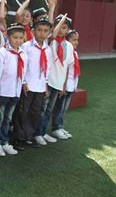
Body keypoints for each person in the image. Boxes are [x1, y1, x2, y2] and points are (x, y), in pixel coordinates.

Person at [14, 17, 53, 148]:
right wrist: (24, 82)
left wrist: (46, 85)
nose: (42, 33)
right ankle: (18, 138)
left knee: (34, 112)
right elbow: (23, 66)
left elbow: (47, 68)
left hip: (40, 86)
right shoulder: (26, 47)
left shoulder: (48, 49)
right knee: (23, 111)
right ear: (33, 31)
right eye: (39, 30)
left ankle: (28, 136)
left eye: (46, 31)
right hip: (28, 85)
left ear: (49, 33)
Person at [0, 23, 27, 157]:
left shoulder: (23, 53)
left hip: (15, 92)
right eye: (15, 37)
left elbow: (23, 72)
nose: (18, 40)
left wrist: (23, 84)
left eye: (20, 38)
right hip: (2, 91)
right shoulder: (2, 53)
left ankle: (4, 141)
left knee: (7, 119)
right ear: (8, 37)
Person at [39, 14, 74, 142]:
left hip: (58, 82)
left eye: (64, 28)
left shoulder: (69, 46)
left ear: (67, 30)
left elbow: (67, 67)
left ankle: (43, 132)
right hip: (48, 81)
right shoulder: (50, 42)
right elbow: (53, 35)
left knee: (49, 109)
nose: (61, 30)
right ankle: (38, 133)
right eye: (59, 27)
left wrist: (64, 85)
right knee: (43, 108)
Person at [52, 29, 80, 139]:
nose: (76, 42)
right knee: (59, 108)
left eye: (77, 40)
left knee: (64, 108)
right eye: (74, 40)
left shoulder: (75, 53)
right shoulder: (65, 52)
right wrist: (63, 85)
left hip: (71, 86)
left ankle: (60, 126)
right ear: (68, 41)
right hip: (64, 85)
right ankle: (56, 128)